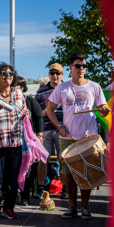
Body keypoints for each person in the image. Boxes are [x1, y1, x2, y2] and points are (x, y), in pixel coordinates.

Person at [47, 52, 109, 220]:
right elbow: (49, 110)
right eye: (78, 66)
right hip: (67, 138)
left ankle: (85, 207)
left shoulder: (94, 87)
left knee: (86, 173)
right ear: (70, 68)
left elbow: (102, 109)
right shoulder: (62, 87)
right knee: (67, 174)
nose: (81, 69)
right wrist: (59, 126)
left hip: (88, 138)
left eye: (84, 66)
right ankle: (72, 207)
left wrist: (104, 111)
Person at [0, 62, 29, 220]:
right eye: (4, 72)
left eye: (10, 73)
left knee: (11, 177)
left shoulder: (18, 94)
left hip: (14, 142)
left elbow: (23, 112)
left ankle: (9, 207)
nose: (8, 75)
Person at [35, 64, 68, 200]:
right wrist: (44, 114)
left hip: (63, 129)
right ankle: (40, 189)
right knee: (43, 159)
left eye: (57, 73)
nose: (55, 76)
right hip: (45, 129)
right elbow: (35, 112)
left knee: (64, 159)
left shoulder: (68, 88)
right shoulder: (41, 91)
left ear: (62, 74)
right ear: (49, 74)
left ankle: (65, 188)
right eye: (52, 73)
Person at [14, 77, 44, 206]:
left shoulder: (30, 101)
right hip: (12, 140)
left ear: (23, 88)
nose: (15, 89)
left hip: (27, 141)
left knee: (28, 168)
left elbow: (39, 117)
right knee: (12, 168)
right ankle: (10, 194)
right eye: (13, 86)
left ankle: (25, 196)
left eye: (18, 86)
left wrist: (40, 135)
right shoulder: (8, 101)